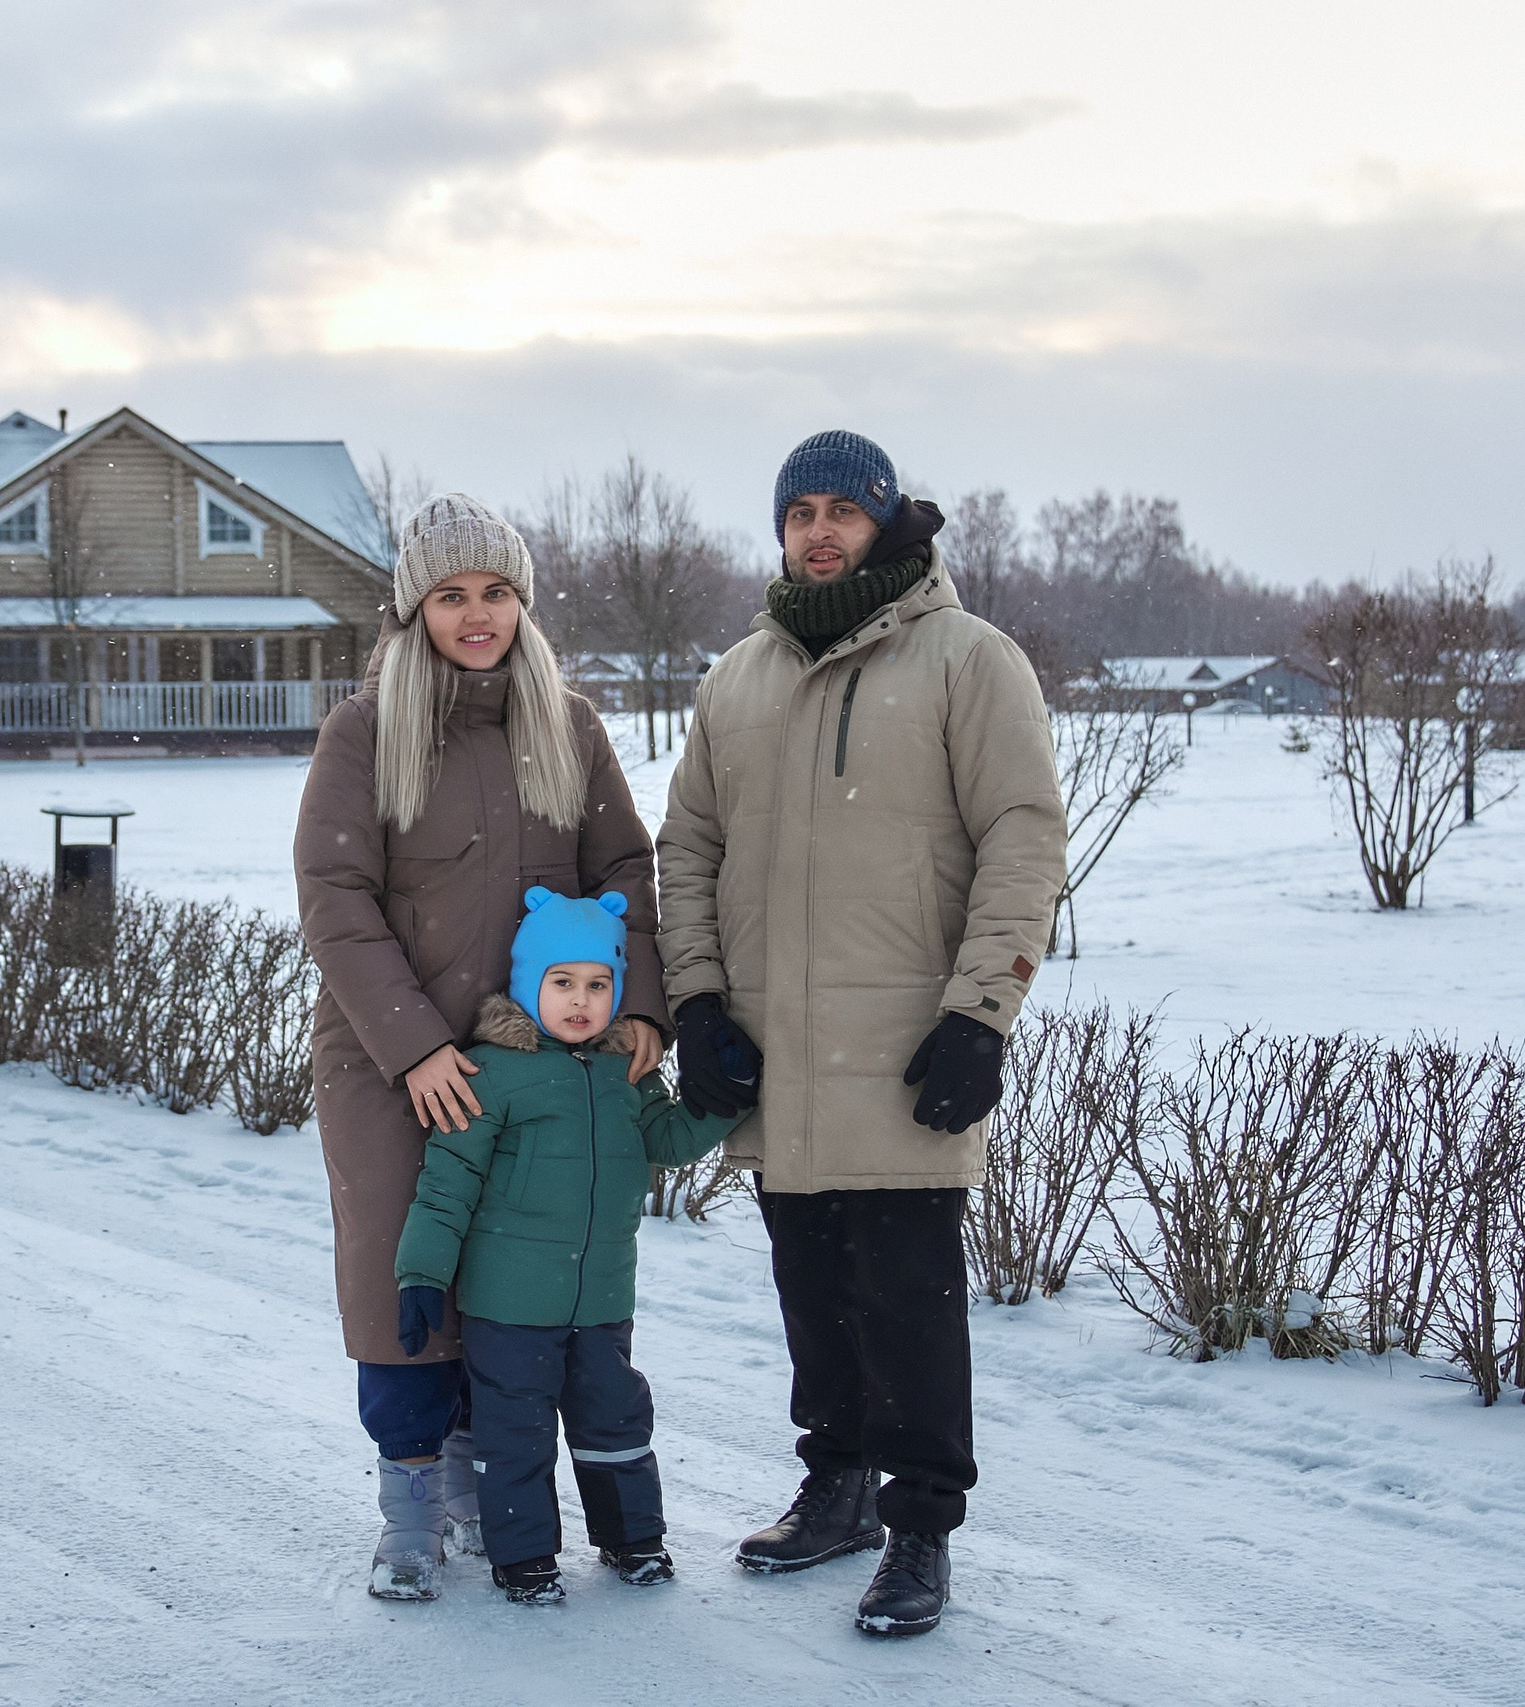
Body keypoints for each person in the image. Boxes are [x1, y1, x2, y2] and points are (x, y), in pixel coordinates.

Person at [656, 429, 1064, 1637]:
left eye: (843, 508)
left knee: (908, 1300)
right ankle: (834, 1489)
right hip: (777, 1057)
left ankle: (921, 1530)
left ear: (889, 523)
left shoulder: (969, 661)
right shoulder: (736, 678)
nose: (819, 530)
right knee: (810, 1288)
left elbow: (1022, 839)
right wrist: (696, 1000)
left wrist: (981, 1015)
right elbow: (689, 850)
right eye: (799, 513)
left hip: (903, 1052)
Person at [294, 493, 671, 1602]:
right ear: (415, 609)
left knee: (508, 1289)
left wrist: (637, 1006)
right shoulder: (363, 731)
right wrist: (413, 1047)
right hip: (390, 1061)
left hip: (533, 1066)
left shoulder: (570, 726)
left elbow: (627, 877)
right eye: (451, 595)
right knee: (401, 1285)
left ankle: (476, 1481)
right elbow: (335, 896)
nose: (476, 615)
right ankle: (408, 1505)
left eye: (495, 593)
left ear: (522, 603)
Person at [392, 887, 735, 1604]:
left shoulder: (624, 1073)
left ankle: (632, 1537)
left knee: (617, 1421)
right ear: (528, 984)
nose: (581, 1000)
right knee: (514, 1435)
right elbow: (445, 1184)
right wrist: (421, 1274)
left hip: (603, 1298)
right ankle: (523, 1556)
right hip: (509, 1307)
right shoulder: (491, 1072)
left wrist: (724, 1097)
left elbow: (667, 1140)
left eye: (599, 984)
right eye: (562, 982)